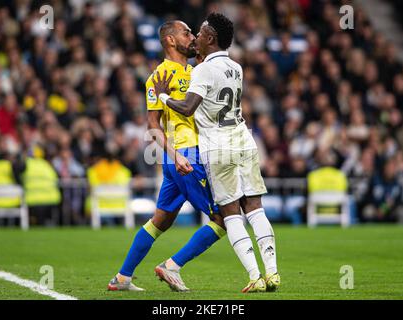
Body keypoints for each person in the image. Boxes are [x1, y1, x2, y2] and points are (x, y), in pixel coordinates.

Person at [153, 13, 280, 293]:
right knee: (255, 208)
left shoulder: (201, 71)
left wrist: (163, 97)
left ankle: (255, 276)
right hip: (244, 140)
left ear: (210, 38)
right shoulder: (237, 67)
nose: (196, 37)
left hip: (219, 146)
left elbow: (187, 107)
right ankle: (272, 273)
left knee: (231, 213)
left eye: (199, 32)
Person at [107, 20, 226, 292]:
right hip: (186, 156)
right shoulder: (159, 77)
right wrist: (175, 155)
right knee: (223, 220)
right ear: (170, 40)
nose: (193, 36)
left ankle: (123, 278)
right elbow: (152, 126)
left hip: (184, 158)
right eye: (187, 33)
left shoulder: (197, 71)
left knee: (159, 221)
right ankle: (172, 266)